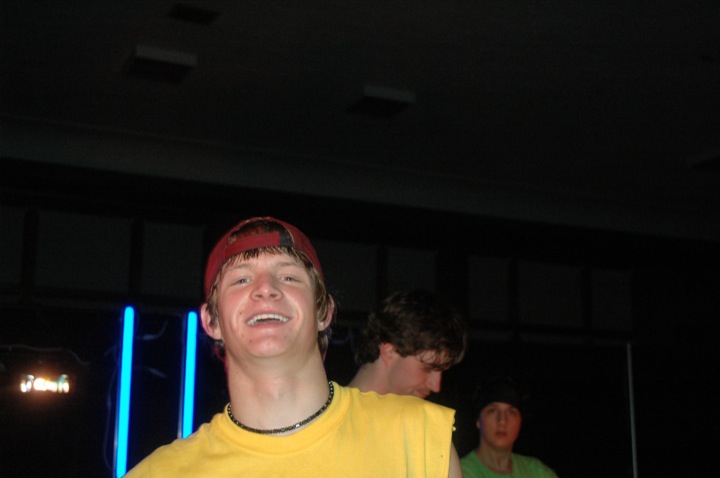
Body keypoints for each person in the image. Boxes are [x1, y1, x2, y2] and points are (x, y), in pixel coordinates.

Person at [124, 216, 462, 477]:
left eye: (288, 276)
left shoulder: (419, 439)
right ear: (211, 321)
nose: (265, 288)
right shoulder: (159, 473)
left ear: (324, 311)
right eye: (241, 279)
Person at [348, 289, 468, 398]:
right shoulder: (337, 413)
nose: (436, 387)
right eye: (427, 369)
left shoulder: (427, 415)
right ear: (390, 351)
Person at [460, 377, 558, 478]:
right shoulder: (459, 472)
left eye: (511, 412)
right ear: (478, 420)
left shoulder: (537, 471)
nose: (502, 420)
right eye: (492, 411)